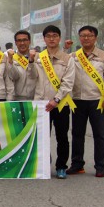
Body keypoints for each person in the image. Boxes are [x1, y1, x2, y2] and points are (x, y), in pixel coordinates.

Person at [68, 25, 104, 178]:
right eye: (83, 35)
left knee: (99, 134)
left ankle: (100, 166)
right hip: (78, 100)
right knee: (77, 134)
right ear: (79, 38)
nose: (86, 38)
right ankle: (77, 164)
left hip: (97, 101)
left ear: (95, 38)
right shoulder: (73, 56)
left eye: (89, 35)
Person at [30, 25, 76, 179]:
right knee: (42, 136)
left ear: (59, 38)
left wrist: (56, 99)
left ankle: (61, 166)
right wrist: (30, 62)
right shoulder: (38, 57)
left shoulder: (67, 59)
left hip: (61, 104)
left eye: (55, 36)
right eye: (48, 36)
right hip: (41, 104)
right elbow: (31, 77)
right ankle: (43, 164)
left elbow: (68, 82)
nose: (51, 39)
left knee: (62, 137)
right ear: (44, 39)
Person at [7, 30, 38, 101]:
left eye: (25, 40)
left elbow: (34, 75)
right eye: (19, 40)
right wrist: (10, 61)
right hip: (17, 99)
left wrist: (31, 61)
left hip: (36, 99)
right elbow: (13, 77)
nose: (22, 43)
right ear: (15, 43)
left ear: (29, 41)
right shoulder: (11, 57)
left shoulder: (38, 57)